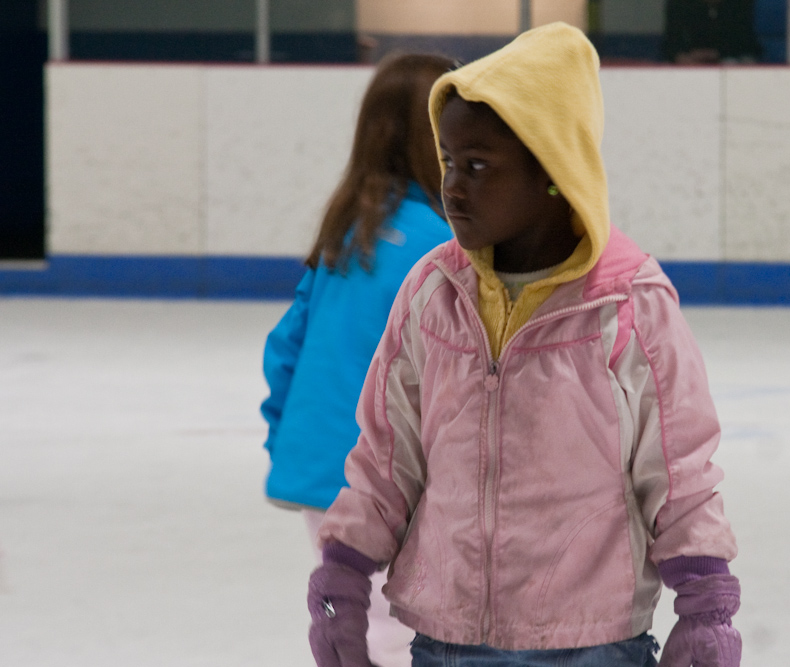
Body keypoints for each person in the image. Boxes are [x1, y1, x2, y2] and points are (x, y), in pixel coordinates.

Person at [307, 22, 742, 667]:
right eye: (449, 162)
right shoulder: (434, 293)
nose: (452, 185)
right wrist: (343, 571)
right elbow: (386, 454)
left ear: (552, 169)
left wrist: (706, 603)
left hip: (591, 644)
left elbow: (678, 471)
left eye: (478, 166)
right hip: (448, 641)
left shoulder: (628, 306)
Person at [259, 52, 455, 667]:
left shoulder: (347, 230)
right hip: (388, 478)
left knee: (355, 619)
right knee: (401, 629)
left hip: (322, 468)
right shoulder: (443, 246)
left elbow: (286, 347)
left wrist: (289, 440)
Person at [662, 0, 762, 64]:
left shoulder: (740, 4)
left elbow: (746, 42)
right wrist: (681, 56)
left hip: (730, 58)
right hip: (690, 58)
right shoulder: (678, 4)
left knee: (742, 62)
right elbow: (671, 40)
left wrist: (716, 54)